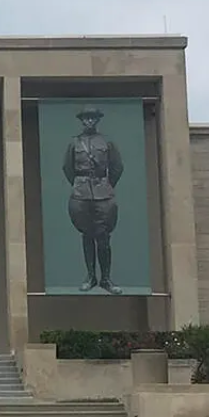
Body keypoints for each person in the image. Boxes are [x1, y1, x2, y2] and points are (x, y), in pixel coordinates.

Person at [62, 105, 124, 292]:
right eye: (86, 118)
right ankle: (90, 277)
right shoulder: (74, 143)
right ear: (81, 121)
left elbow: (117, 167)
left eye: (92, 118)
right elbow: (68, 168)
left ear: (97, 120)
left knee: (103, 237)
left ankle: (106, 278)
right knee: (87, 235)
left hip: (103, 193)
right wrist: (79, 183)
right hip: (81, 194)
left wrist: (106, 184)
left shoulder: (107, 142)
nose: (89, 121)